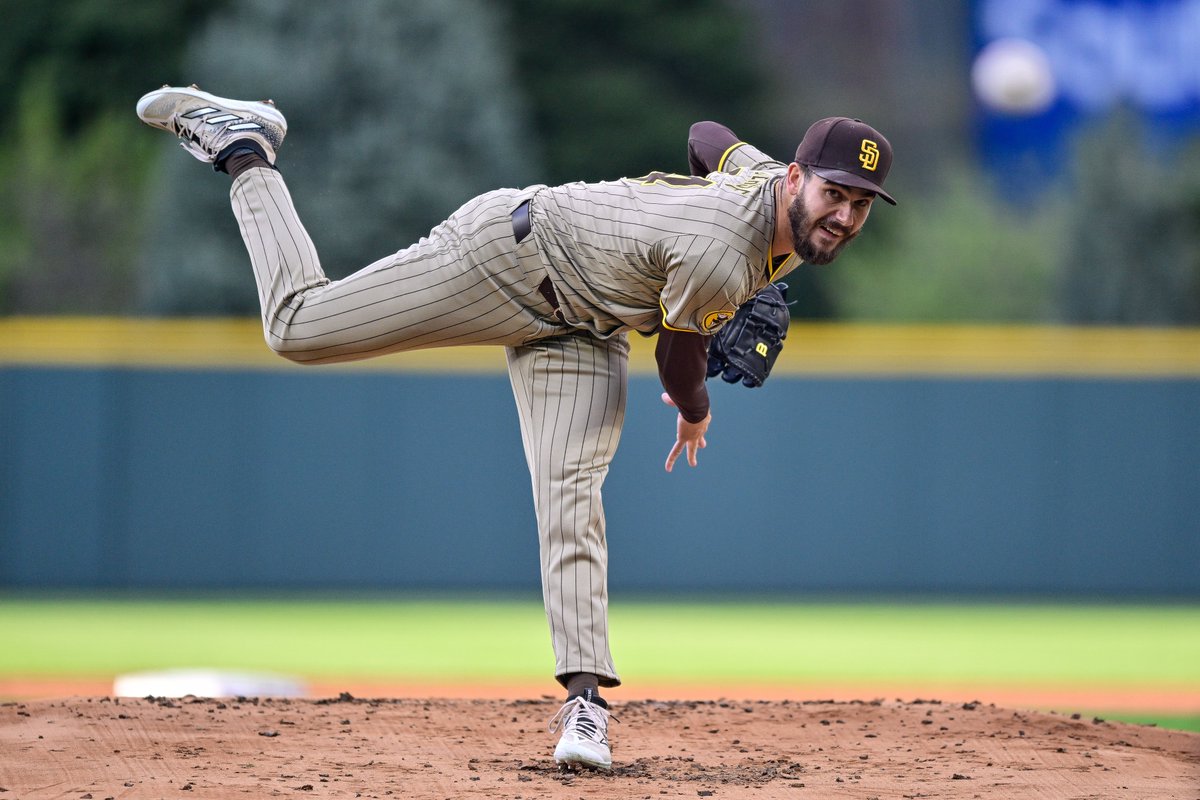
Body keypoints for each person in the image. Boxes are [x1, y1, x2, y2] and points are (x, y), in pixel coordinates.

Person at [135, 84, 896, 770]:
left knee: (572, 495)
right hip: (509, 254)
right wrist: (697, 411)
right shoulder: (724, 249)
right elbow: (675, 363)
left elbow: (704, 133)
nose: (845, 215)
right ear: (796, 178)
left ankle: (585, 706)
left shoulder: (767, 189)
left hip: (585, 324)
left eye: (862, 203)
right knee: (299, 328)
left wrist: (702, 201)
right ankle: (245, 148)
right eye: (836, 192)